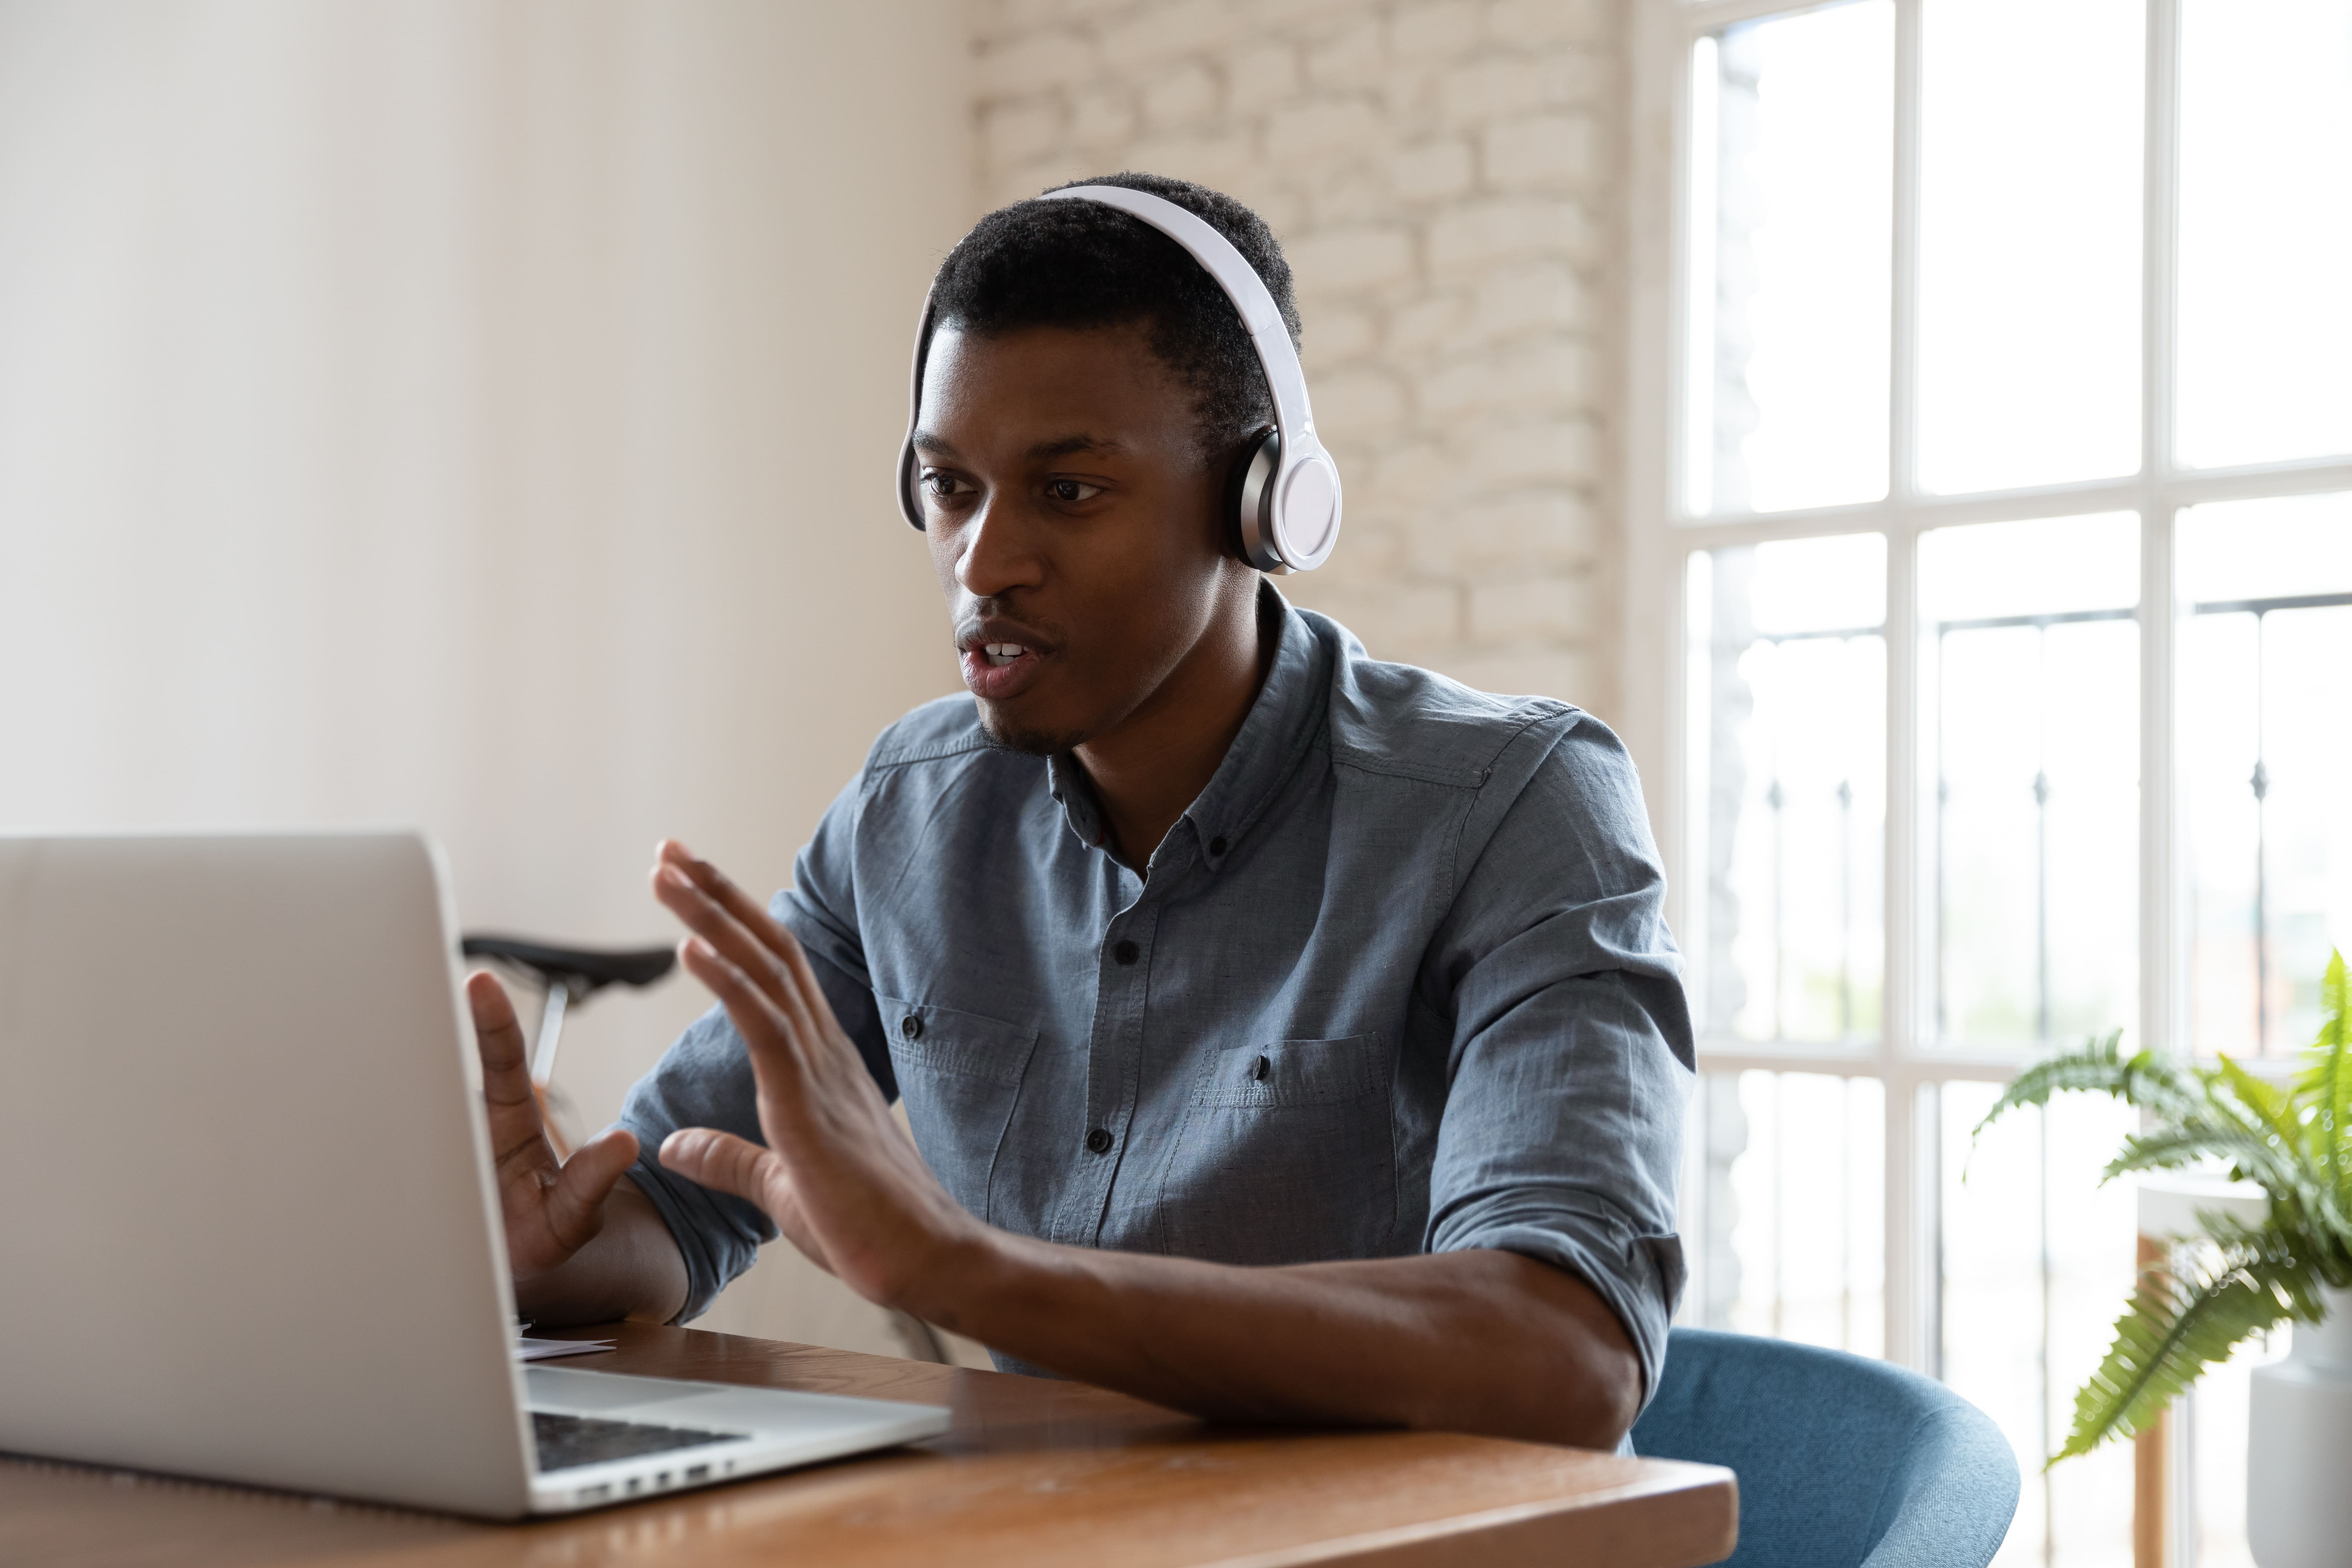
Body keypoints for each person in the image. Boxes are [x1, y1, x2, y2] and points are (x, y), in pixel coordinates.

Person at [466, 172, 1693, 1451]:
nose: (983, 565)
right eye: (949, 489)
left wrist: (967, 1270)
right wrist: (549, 1250)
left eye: (1068, 490)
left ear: (1264, 502)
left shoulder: (1515, 805)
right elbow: (682, 1202)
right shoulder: (907, 815)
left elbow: (1566, 1352)